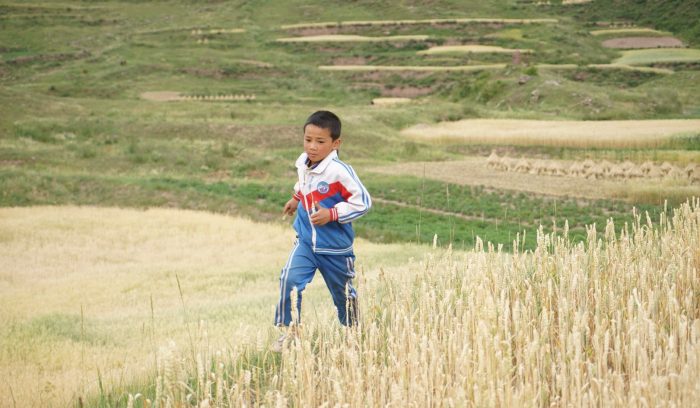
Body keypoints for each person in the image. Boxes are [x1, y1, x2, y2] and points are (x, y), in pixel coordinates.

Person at [273, 110, 371, 349]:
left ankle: (353, 334)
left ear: (335, 144)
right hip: (306, 242)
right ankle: (291, 331)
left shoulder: (340, 172)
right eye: (308, 140)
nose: (312, 147)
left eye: (320, 141)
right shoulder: (303, 163)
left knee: (343, 296)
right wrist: (296, 199)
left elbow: (363, 202)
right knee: (289, 280)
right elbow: (305, 184)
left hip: (335, 248)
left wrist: (332, 214)